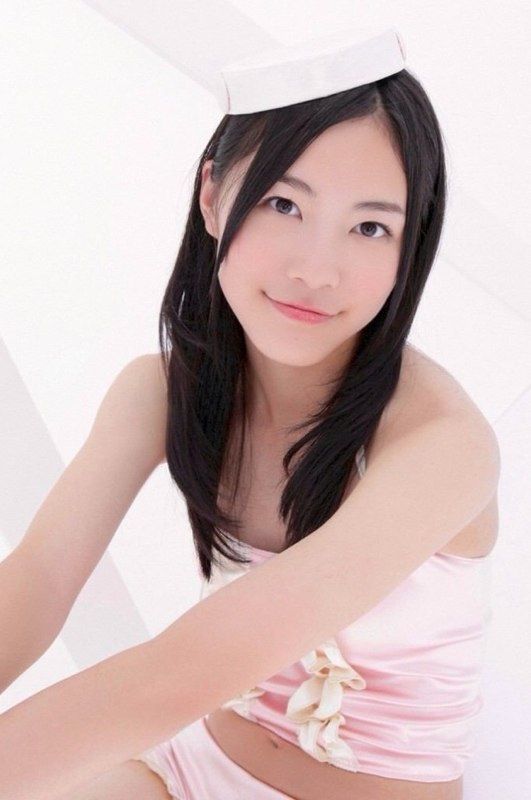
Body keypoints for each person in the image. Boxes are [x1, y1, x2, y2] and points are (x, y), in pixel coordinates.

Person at [0, 28, 500, 800]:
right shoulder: (162, 391)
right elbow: (36, 583)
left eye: (369, 226)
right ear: (212, 195)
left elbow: (176, 676)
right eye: (283, 203)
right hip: (186, 770)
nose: (315, 270)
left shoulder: (441, 446)